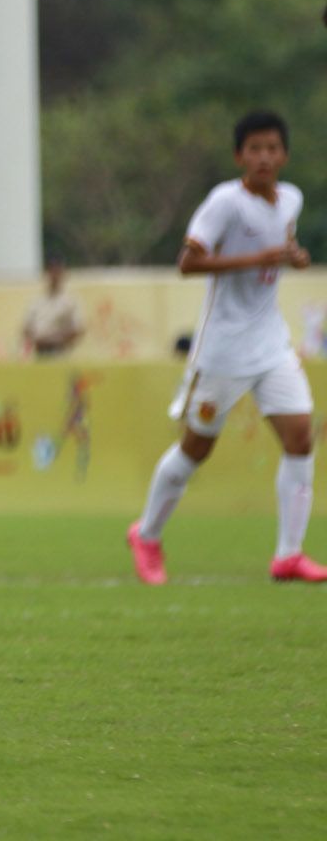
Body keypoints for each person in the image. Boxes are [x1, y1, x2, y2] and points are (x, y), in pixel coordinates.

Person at [128, 110, 326, 584]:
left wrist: (292, 257)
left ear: (284, 155)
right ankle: (147, 534)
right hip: (222, 349)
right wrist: (255, 258)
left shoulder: (290, 200)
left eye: (272, 148)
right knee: (196, 449)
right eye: (254, 149)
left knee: (300, 436)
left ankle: (288, 555)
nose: (263, 157)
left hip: (271, 342)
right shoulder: (225, 202)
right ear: (239, 155)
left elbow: (282, 246)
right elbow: (188, 262)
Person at [22, 260, 84, 357]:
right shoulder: (37, 302)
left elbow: (78, 329)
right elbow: (26, 327)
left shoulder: (70, 302)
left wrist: (59, 340)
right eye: (51, 273)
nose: (54, 277)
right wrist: (34, 339)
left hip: (61, 352)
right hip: (40, 351)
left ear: (63, 275)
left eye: (57, 273)